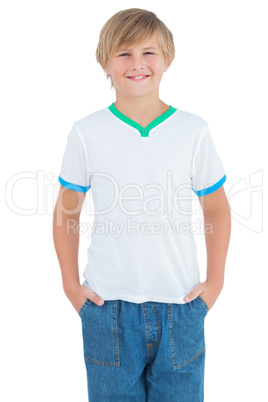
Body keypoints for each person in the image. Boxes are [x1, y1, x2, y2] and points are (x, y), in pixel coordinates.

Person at [53, 8, 231, 402]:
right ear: (105, 62)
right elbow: (68, 210)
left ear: (167, 59)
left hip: (181, 306)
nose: (137, 64)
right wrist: (70, 284)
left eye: (149, 53)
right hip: (107, 309)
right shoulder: (86, 132)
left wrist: (215, 282)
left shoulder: (193, 131)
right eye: (124, 53)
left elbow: (215, 207)